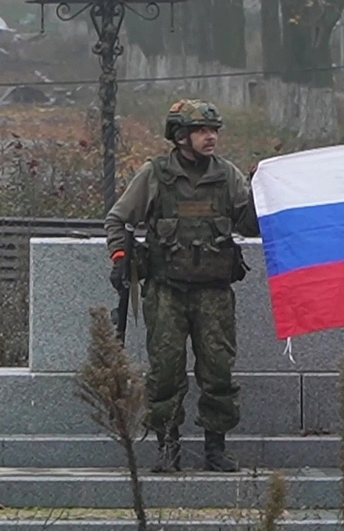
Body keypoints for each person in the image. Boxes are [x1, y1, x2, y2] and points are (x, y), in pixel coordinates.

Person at [104, 98, 261, 473]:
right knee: (165, 372)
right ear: (180, 136)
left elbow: (250, 225)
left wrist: (262, 193)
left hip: (214, 291)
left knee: (218, 371)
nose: (211, 138)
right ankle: (168, 448)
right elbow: (118, 219)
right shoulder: (155, 175)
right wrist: (120, 260)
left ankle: (214, 450)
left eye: (214, 131)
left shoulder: (227, 175)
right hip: (166, 291)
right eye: (202, 131)